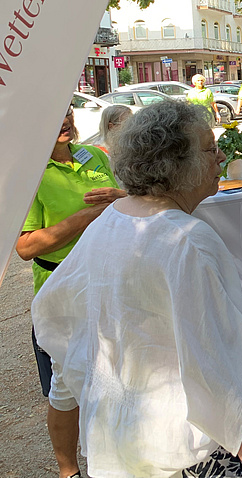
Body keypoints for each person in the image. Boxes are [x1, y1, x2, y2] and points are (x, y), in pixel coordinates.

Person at [31, 101, 242, 478]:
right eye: (209, 149)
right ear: (175, 164)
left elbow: (56, 311)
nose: (221, 155)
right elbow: (212, 369)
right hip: (185, 453)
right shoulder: (189, 240)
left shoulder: (113, 216)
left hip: (120, 443)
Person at [16, 104, 125, 478]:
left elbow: (121, 204)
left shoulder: (93, 154)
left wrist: (122, 198)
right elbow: (26, 247)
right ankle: (69, 471)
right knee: (65, 388)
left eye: (67, 111)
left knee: (118, 375)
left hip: (108, 280)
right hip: (62, 291)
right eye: (52, 113)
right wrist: (84, 217)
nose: (63, 119)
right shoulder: (29, 175)